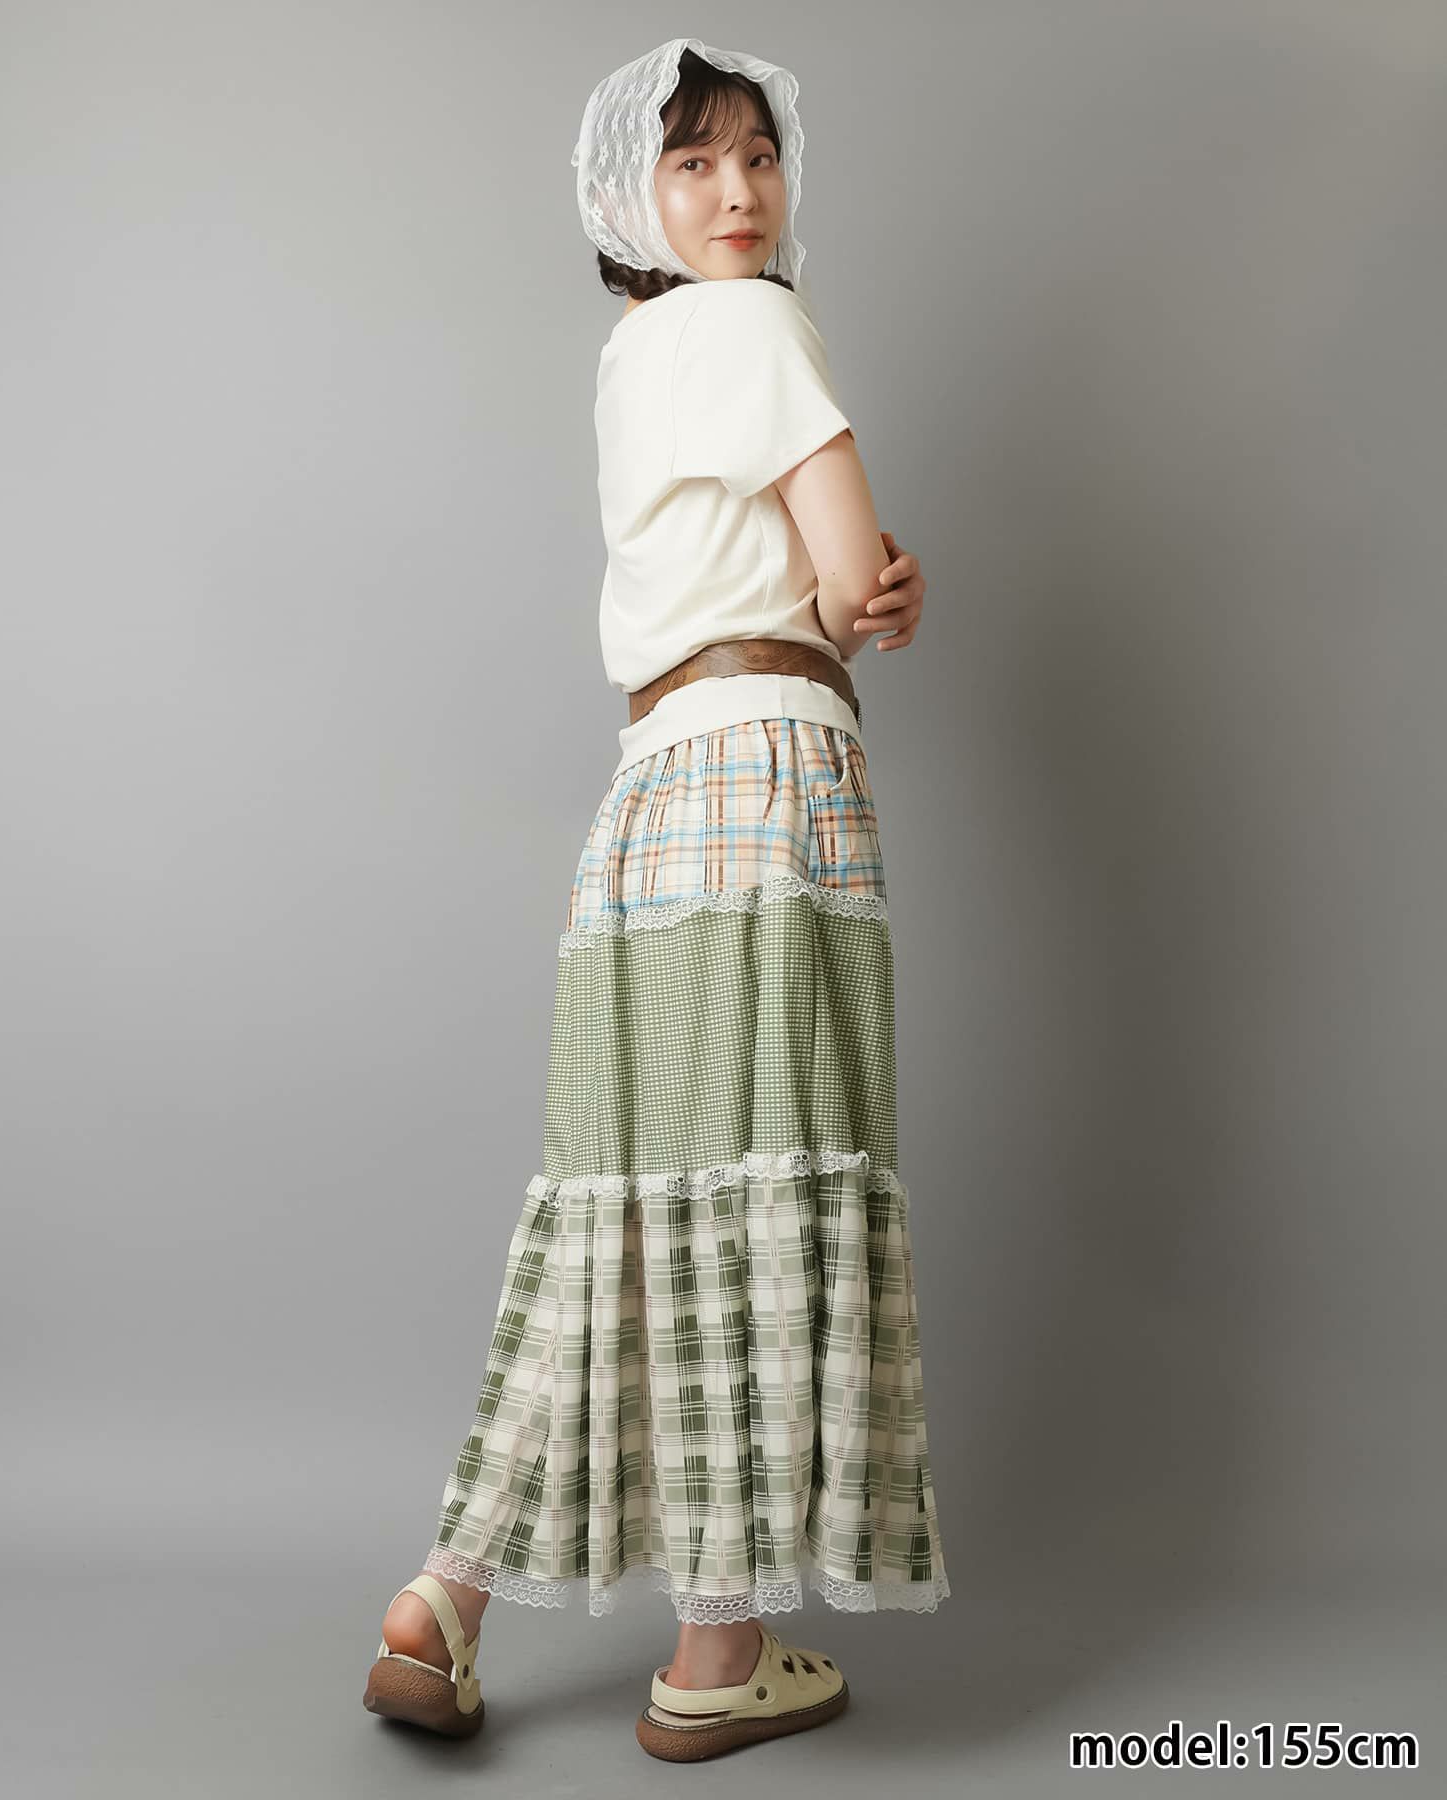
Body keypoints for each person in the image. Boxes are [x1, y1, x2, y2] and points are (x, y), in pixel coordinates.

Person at [363, 37, 946, 1762]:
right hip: (771, 781)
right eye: (695, 162)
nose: (740, 190)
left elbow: (754, 581)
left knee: (625, 1200)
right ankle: (715, 1654)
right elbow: (844, 576)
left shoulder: (636, 354)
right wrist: (880, 591)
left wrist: (845, 596)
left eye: (758, 155)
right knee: (765, 1176)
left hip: (648, 802)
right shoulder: (757, 325)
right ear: (637, 193)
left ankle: (445, 1598)